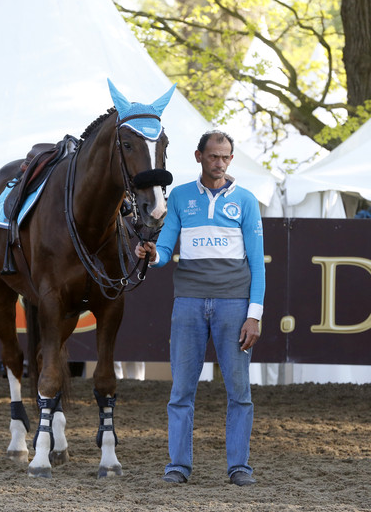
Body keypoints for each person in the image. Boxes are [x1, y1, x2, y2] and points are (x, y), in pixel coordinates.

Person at [135, 130, 265, 486]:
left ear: (231, 159)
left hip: (235, 305)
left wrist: (254, 314)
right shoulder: (179, 197)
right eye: (213, 156)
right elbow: (164, 250)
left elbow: (257, 262)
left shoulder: (247, 200)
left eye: (225, 157)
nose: (219, 162)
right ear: (198, 156)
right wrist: (152, 254)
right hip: (188, 303)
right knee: (181, 392)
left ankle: (239, 467)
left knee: (240, 391)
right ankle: (178, 466)